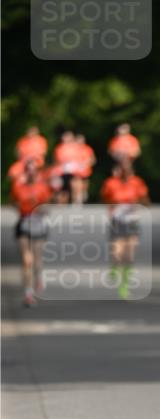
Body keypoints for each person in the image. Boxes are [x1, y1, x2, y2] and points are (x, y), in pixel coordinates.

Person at [100, 158, 150, 300]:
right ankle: (114, 267)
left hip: (132, 221)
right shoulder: (111, 183)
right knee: (117, 253)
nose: (125, 172)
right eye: (123, 169)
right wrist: (113, 208)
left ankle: (124, 287)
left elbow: (145, 200)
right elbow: (105, 197)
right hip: (117, 221)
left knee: (129, 256)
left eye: (128, 169)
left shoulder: (137, 182)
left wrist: (137, 205)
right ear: (118, 170)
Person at [10, 157, 53, 307]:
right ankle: (28, 293)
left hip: (39, 225)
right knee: (27, 261)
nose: (31, 173)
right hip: (24, 225)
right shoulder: (18, 186)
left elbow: (48, 208)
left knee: (37, 258)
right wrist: (23, 211)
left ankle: (39, 275)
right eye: (28, 170)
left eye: (33, 170)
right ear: (25, 172)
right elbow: (14, 202)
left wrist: (39, 209)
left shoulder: (43, 187)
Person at [53, 130, 81, 204]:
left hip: (74, 170)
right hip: (62, 170)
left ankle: (75, 201)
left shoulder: (76, 147)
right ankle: (62, 202)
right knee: (63, 188)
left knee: (74, 185)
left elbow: (79, 158)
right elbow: (58, 159)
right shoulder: (59, 148)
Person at [72, 134, 96, 203]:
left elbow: (93, 160)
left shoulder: (88, 149)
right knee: (75, 186)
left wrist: (86, 164)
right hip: (76, 172)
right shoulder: (73, 150)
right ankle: (76, 201)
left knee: (83, 188)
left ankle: (82, 197)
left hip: (85, 171)